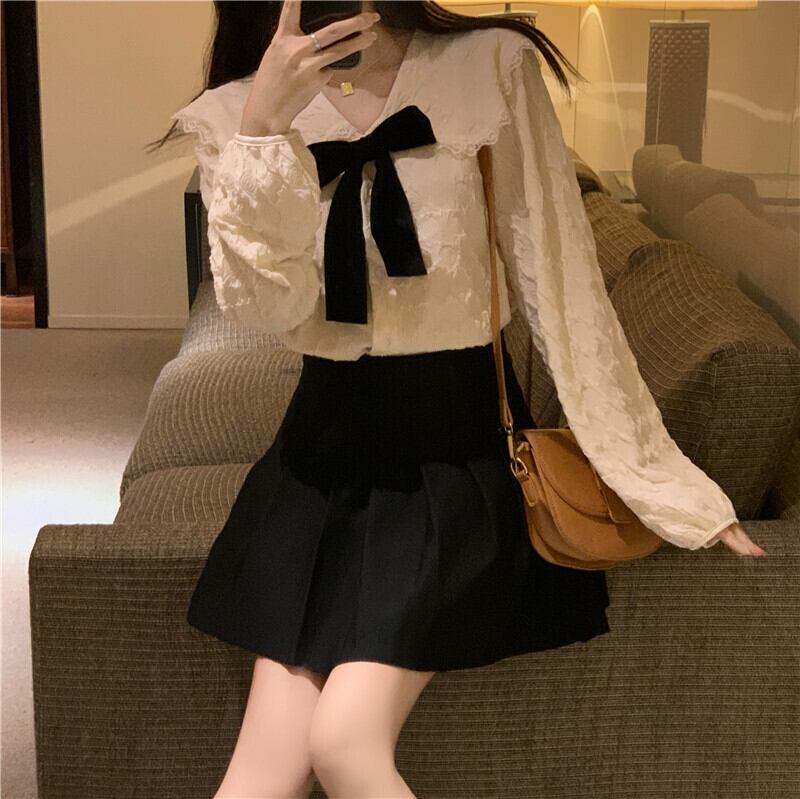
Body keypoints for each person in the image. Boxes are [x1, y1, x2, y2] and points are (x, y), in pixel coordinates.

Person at [161, 1, 766, 796]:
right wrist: (264, 129)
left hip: (453, 460)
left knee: (344, 742)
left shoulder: (489, 68)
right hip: (318, 463)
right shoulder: (238, 111)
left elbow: (562, 284)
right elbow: (265, 309)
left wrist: (665, 483)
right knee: (261, 772)